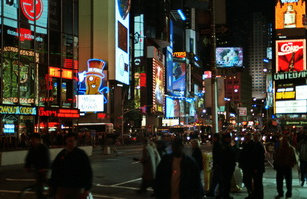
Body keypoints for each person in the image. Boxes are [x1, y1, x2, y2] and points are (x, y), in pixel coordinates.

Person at [51, 133, 93, 199]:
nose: (72, 143)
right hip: (63, 187)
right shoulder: (62, 154)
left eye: (74, 141)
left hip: (77, 188)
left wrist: (87, 189)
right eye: (70, 141)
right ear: (66, 142)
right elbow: (55, 171)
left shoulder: (81, 154)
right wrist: (54, 188)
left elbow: (87, 171)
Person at [24, 133, 50, 199]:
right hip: (37, 169)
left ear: (38, 140)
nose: (32, 141)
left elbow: (47, 159)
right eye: (31, 139)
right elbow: (28, 158)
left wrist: (45, 168)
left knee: (41, 185)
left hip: (43, 169)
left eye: (33, 139)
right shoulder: (32, 148)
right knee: (38, 185)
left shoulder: (43, 148)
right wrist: (27, 166)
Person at [219, 133, 236, 199]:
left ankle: (224, 194)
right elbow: (230, 156)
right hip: (227, 167)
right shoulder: (226, 146)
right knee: (226, 182)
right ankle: (225, 195)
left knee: (225, 182)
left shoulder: (224, 145)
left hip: (227, 166)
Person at [251, 133, 265, 199]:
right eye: (254, 136)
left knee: (258, 183)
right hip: (257, 167)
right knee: (257, 183)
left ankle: (259, 196)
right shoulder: (256, 145)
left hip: (258, 168)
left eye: (256, 137)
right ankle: (257, 195)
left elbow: (260, 158)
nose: (254, 138)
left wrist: (256, 167)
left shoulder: (259, 146)